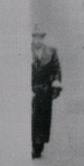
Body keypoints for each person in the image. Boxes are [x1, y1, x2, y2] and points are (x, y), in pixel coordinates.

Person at [31, 30, 62, 159]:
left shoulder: (51, 52)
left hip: (44, 91)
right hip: (30, 89)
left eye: (41, 38)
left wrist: (56, 84)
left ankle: (38, 146)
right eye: (36, 38)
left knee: (41, 120)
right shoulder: (24, 51)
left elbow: (56, 70)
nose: (38, 40)